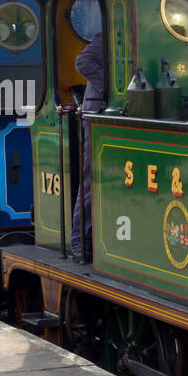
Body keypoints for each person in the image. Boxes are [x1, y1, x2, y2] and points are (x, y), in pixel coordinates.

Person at [70, 32, 105, 260]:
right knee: (90, 180)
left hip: (109, 114)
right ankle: (79, 240)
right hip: (96, 113)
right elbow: (82, 62)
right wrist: (110, 85)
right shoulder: (105, 37)